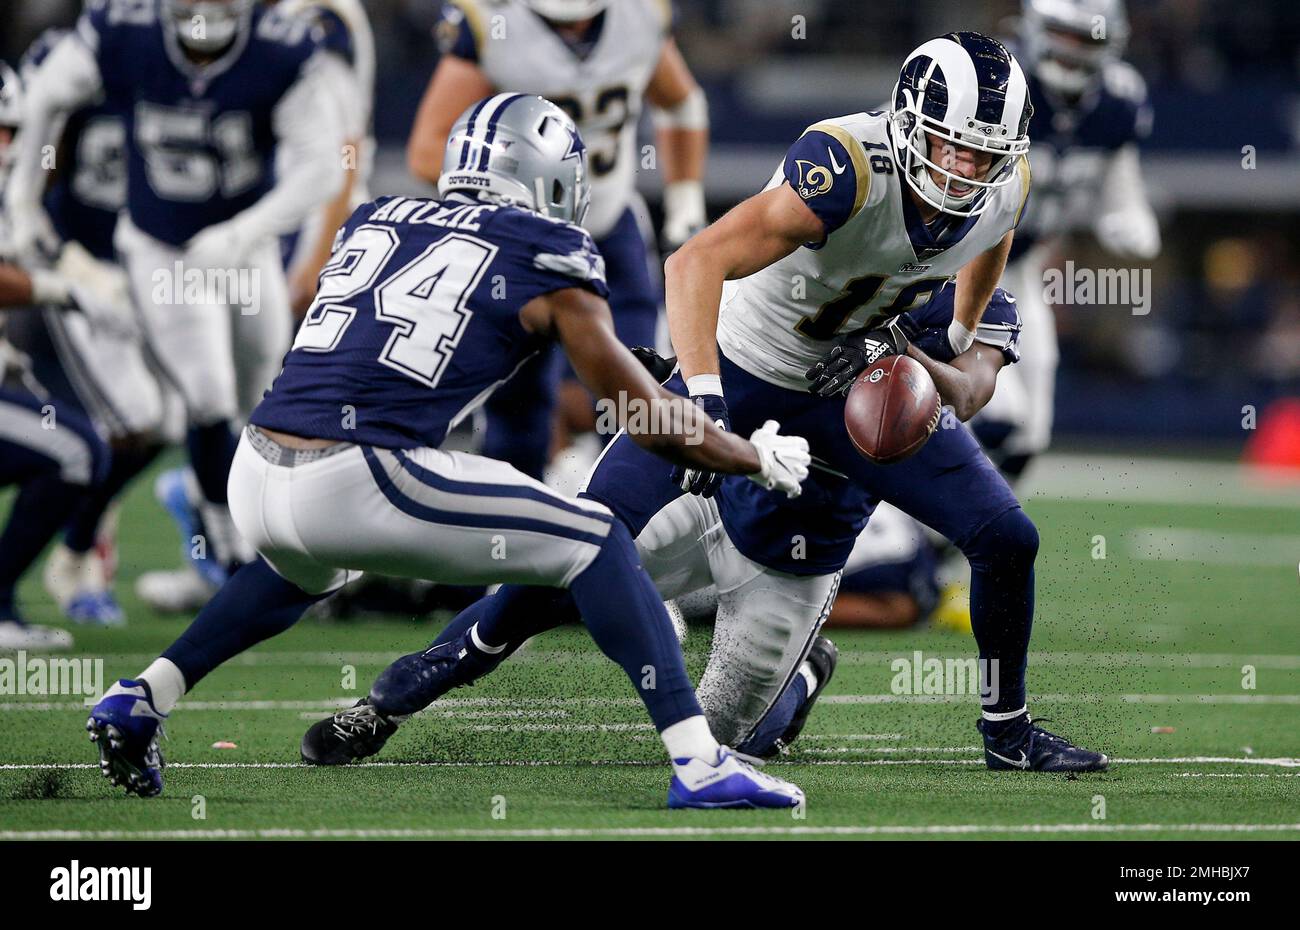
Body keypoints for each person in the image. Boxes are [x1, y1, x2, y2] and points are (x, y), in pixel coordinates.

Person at [312, 33, 1110, 773]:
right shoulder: (847, 167)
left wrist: (945, 346)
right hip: (741, 369)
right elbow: (694, 263)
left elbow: (987, 274)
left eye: (983, 156)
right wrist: (706, 406)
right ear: (909, 123)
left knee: (1006, 539)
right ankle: (396, 694)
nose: (966, 172)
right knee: (578, 541)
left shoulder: (1004, 190)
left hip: (842, 406)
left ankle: (1003, 733)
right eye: (951, 147)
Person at [86, 94, 813, 809]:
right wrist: (750, 456)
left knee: (298, 571)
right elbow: (648, 423)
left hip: (260, 466)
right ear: (551, 180)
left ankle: (142, 696)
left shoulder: (377, 216)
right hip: (355, 472)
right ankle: (700, 764)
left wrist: (615, 363)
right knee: (593, 539)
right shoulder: (547, 249)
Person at [6, 0, 350, 610]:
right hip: (154, 246)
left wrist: (241, 235)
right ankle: (228, 547)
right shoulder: (120, 36)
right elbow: (43, 99)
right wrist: (27, 205)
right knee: (204, 397)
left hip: (245, 243)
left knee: (258, 395)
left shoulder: (280, 48)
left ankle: (234, 522)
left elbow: (325, 165)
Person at [407, 0, 709, 481]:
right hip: (525, 247)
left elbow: (680, 100)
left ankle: (628, 524)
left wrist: (686, 204)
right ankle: (513, 527)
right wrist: (508, 194)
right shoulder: (491, 25)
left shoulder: (640, 17)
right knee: (521, 405)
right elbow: (428, 147)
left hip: (609, 228)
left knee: (639, 389)